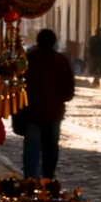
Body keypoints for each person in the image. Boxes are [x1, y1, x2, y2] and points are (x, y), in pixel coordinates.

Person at [20, 28, 76, 178]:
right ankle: (48, 179)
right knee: (50, 149)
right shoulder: (61, 60)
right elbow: (69, 89)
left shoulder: (29, 59)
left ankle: (31, 181)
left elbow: (21, 85)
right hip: (53, 113)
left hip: (32, 112)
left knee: (32, 150)